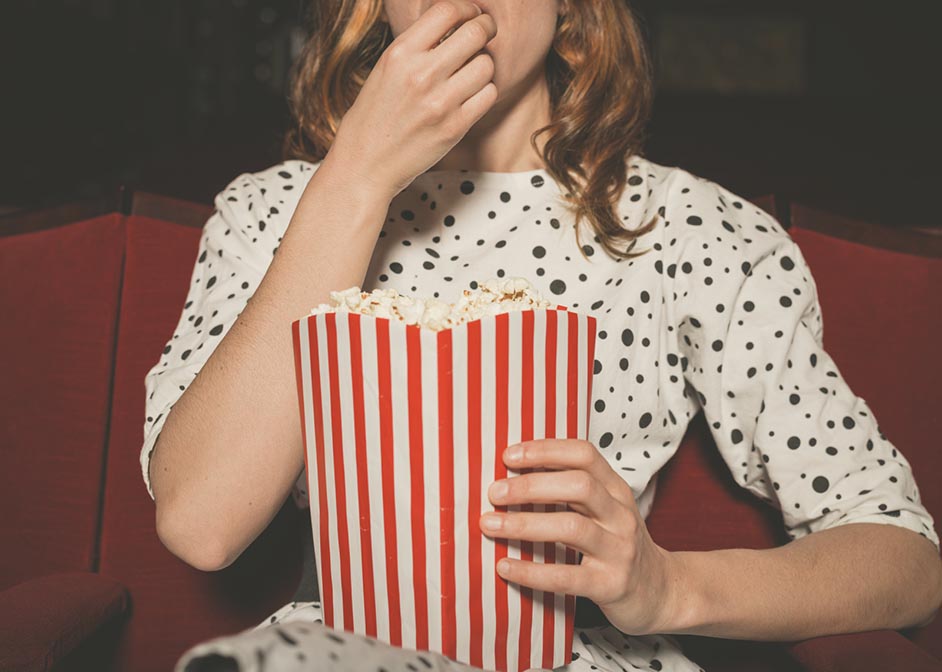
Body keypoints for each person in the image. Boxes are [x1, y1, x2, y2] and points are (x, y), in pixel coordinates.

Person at [140, 0, 942, 670]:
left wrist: (667, 587)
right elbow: (202, 524)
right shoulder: (272, 213)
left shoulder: (687, 229)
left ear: (571, 9)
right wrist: (355, 179)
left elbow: (904, 558)